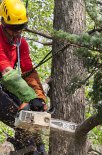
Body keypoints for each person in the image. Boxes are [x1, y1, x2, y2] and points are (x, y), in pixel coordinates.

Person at [0, 0, 48, 154]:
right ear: (3, 22)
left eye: (21, 28)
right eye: (14, 28)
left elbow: (29, 73)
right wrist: (29, 96)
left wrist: (39, 99)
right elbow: (7, 73)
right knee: (20, 117)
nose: (17, 32)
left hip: (5, 85)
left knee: (28, 117)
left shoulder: (22, 44)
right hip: (5, 80)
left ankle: (32, 148)